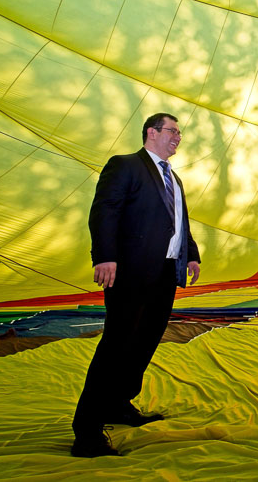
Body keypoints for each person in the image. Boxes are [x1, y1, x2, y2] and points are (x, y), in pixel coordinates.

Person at [71, 113, 201, 457]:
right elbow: (105, 211)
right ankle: (86, 431)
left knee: (145, 341)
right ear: (152, 132)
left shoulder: (175, 177)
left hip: (165, 273)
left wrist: (192, 254)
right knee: (117, 344)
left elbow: (180, 221)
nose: (178, 137)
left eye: (179, 133)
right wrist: (104, 256)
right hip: (129, 271)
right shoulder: (125, 165)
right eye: (172, 131)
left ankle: (118, 404)